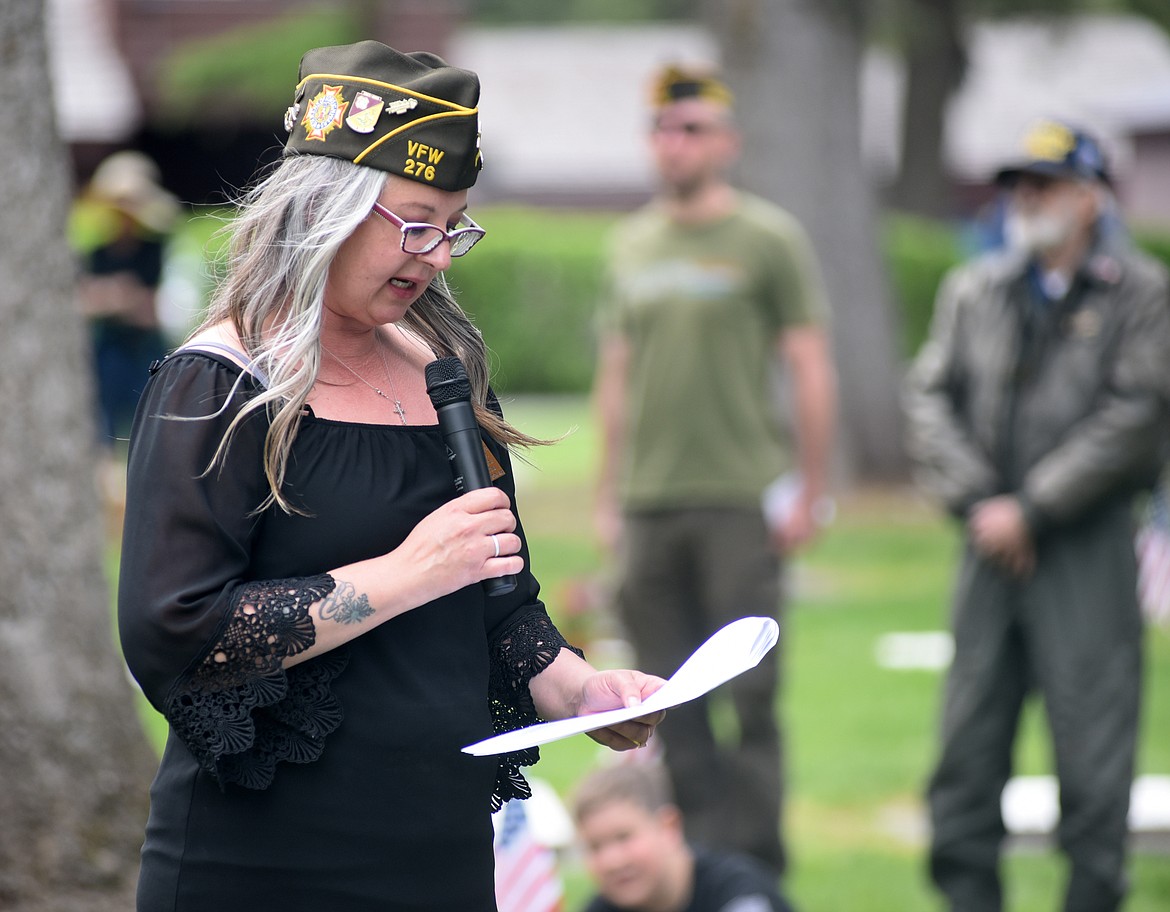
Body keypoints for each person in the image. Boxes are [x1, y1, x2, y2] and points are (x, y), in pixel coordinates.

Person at [116, 40, 665, 912]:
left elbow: (500, 606)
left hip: (435, 853)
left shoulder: (445, 370)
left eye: (455, 225)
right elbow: (173, 631)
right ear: (322, 210)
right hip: (257, 866)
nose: (438, 254)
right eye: (414, 223)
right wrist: (407, 574)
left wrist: (581, 690)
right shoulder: (218, 384)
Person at [904, 120, 1170, 912]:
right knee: (966, 755)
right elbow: (926, 400)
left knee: (1093, 762)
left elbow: (1137, 415)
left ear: (1091, 197)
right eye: (1018, 184)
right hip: (987, 549)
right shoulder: (975, 289)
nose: (1027, 199)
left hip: (1084, 548)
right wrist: (985, 503)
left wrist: (1035, 508)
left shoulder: (1142, 293)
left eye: (1046, 184)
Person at [592, 64, 836, 875]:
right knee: (666, 701)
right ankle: (693, 860)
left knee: (753, 699)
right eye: (663, 129)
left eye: (693, 129)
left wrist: (811, 487)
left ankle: (756, 871)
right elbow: (617, 375)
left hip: (739, 499)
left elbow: (808, 365)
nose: (675, 144)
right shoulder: (631, 242)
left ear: (727, 143)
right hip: (650, 504)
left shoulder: (767, 239)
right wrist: (607, 499)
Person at [572, 762, 793, 912]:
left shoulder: (737, 891)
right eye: (594, 847)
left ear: (669, 827)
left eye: (624, 838)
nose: (612, 861)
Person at [77, 150, 179, 446]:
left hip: (146, 351)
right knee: (104, 420)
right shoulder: (99, 252)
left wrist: (117, 297)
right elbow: (83, 301)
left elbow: (159, 309)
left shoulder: (155, 251)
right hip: (109, 349)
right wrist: (118, 297)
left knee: (147, 424)